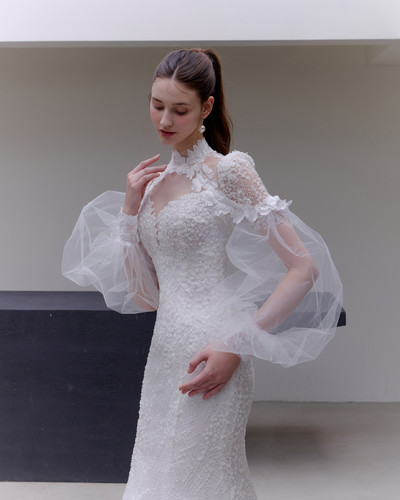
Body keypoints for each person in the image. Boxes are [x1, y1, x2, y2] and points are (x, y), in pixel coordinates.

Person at [62, 48, 343, 499]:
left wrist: (237, 345)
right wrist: (130, 212)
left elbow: (303, 267)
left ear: (207, 107)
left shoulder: (230, 171)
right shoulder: (151, 187)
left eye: (180, 109)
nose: (165, 120)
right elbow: (145, 297)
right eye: (157, 105)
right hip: (164, 355)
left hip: (217, 350)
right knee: (157, 482)